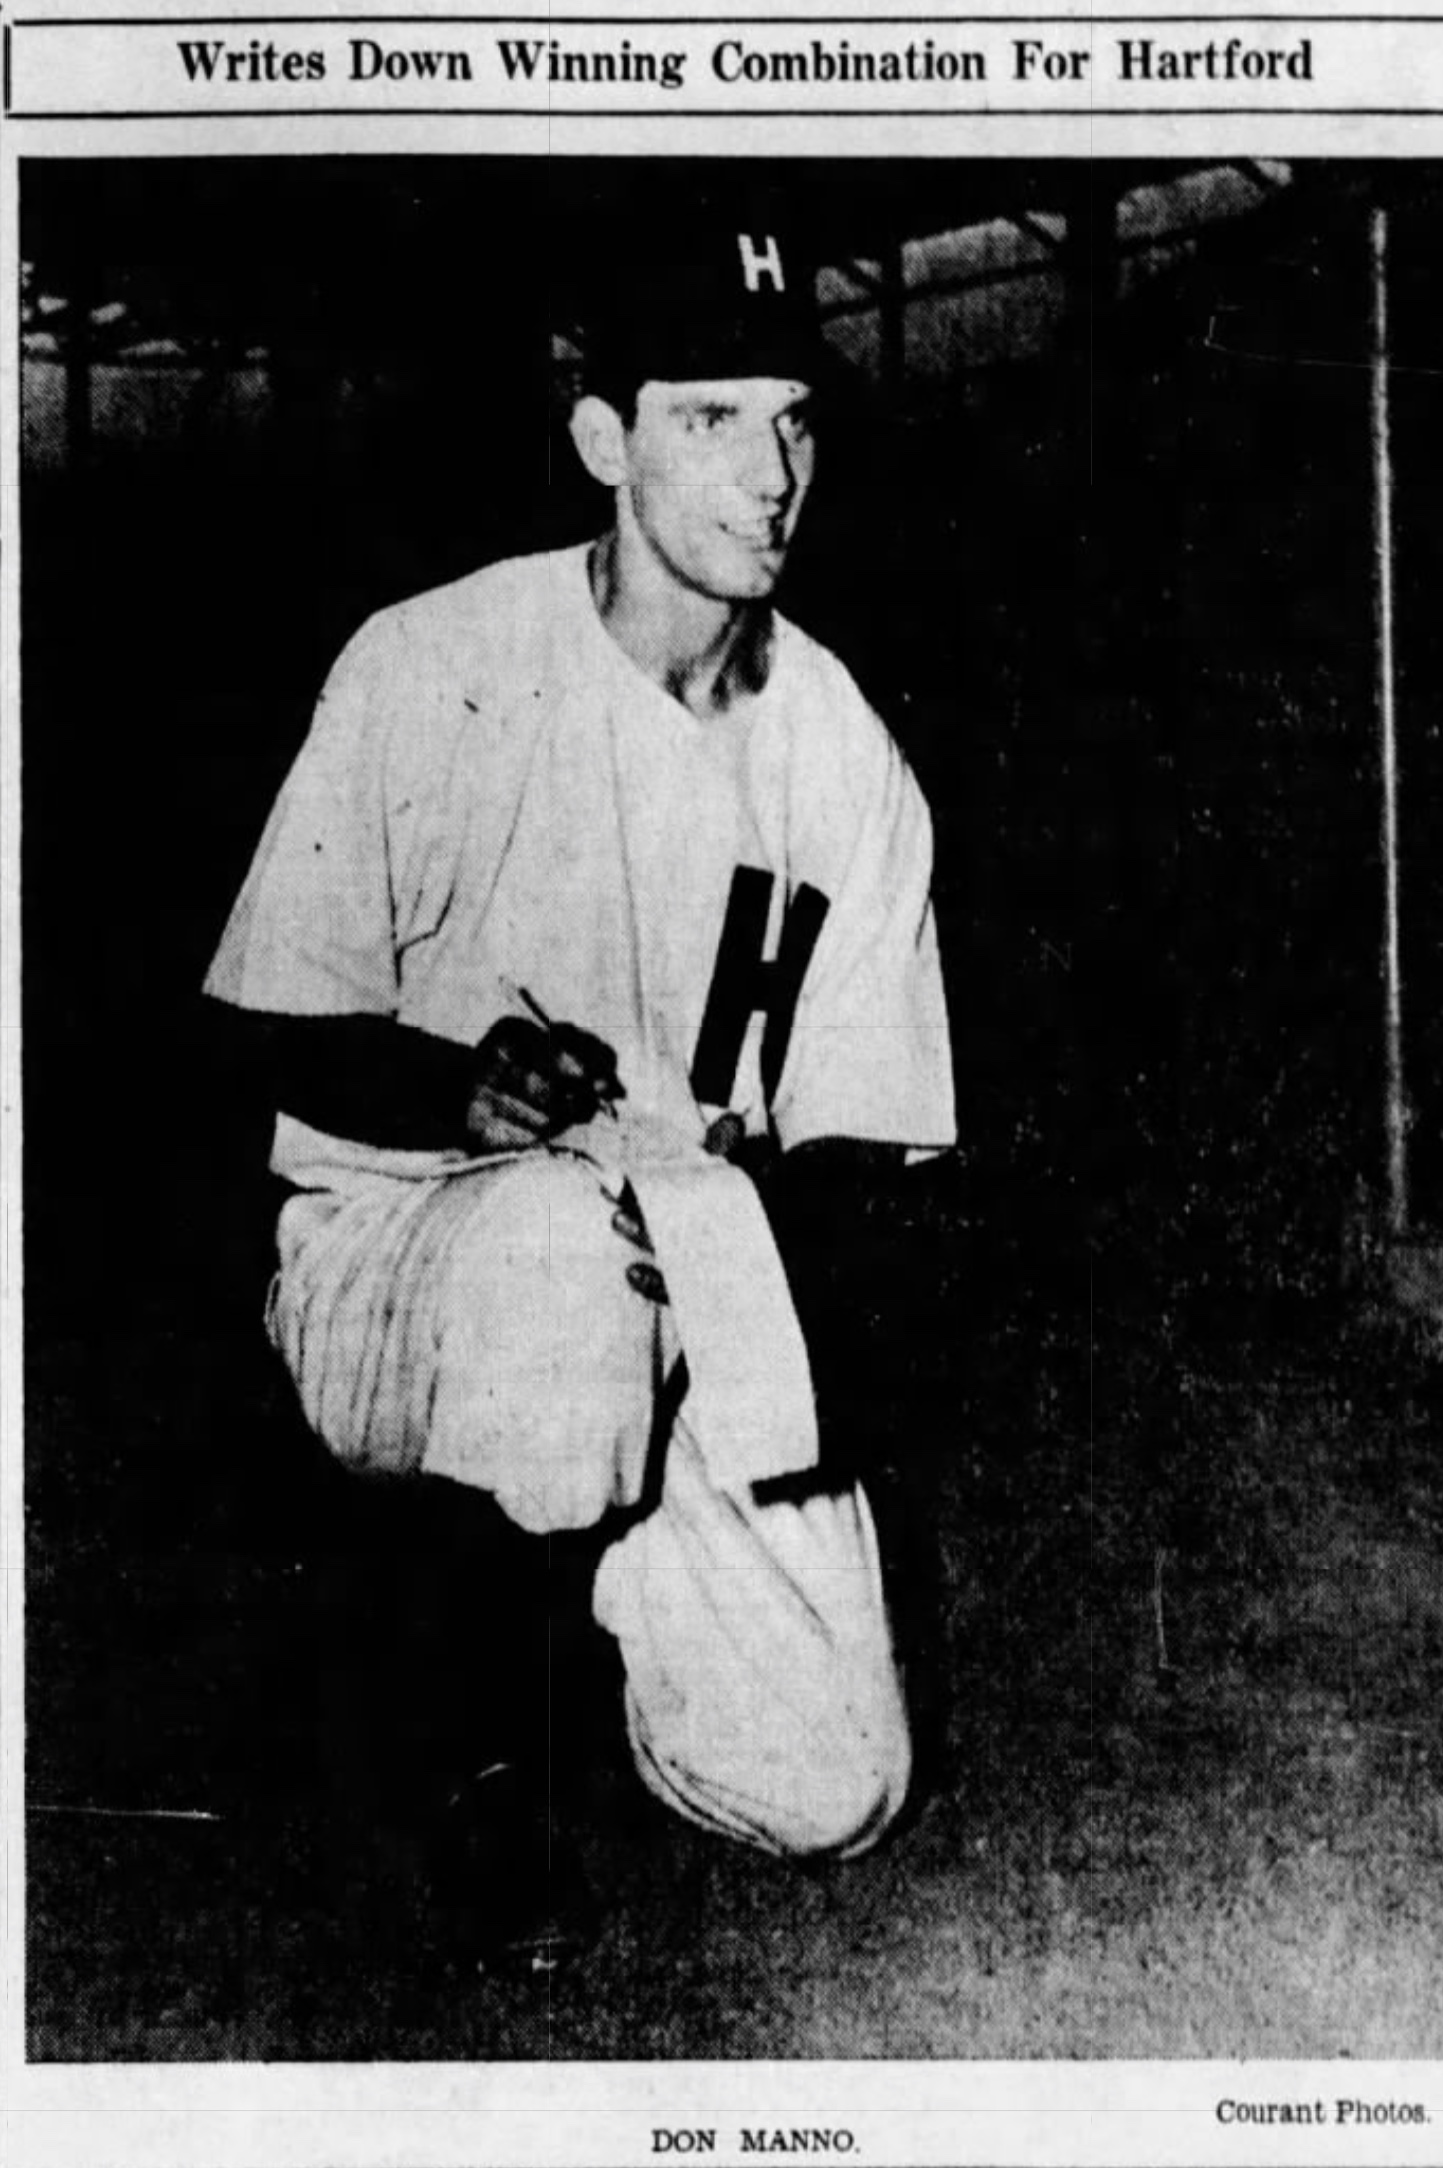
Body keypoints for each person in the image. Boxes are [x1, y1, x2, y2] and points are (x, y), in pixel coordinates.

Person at [204, 214, 957, 1968]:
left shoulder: (843, 748)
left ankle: (612, 1582)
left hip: (695, 1269)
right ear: (604, 438)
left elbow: (870, 1150)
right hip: (409, 1250)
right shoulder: (429, 662)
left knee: (835, 1782)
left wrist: (759, 1385)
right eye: (711, 418)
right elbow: (253, 1036)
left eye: (797, 420)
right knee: (555, 1255)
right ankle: (482, 1728)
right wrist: (454, 1087)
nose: (774, 473)